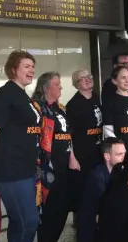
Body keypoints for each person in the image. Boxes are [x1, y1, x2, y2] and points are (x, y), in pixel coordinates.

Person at [0, 50, 41, 242]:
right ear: (13, 69)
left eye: (32, 67)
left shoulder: (22, 95)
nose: (31, 70)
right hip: (11, 172)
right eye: (26, 66)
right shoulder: (5, 94)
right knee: (28, 222)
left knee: (19, 221)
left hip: (26, 169)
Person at [31, 72, 80, 242]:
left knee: (63, 208)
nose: (61, 87)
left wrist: (72, 157)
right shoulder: (37, 108)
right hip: (48, 169)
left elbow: (69, 135)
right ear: (46, 87)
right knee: (50, 211)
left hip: (65, 166)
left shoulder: (61, 108)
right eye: (57, 84)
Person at [66, 69, 103, 225]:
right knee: (84, 194)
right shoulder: (73, 105)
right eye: (82, 79)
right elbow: (68, 135)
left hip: (98, 153)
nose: (87, 79)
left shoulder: (96, 98)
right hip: (83, 156)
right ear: (76, 84)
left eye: (89, 76)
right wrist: (72, 158)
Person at [76, 137, 126, 242]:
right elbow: (105, 207)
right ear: (107, 156)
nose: (123, 158)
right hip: (91, 230)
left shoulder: (117, 171)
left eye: (124, 154)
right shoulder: (96, 177)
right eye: (119, 154)